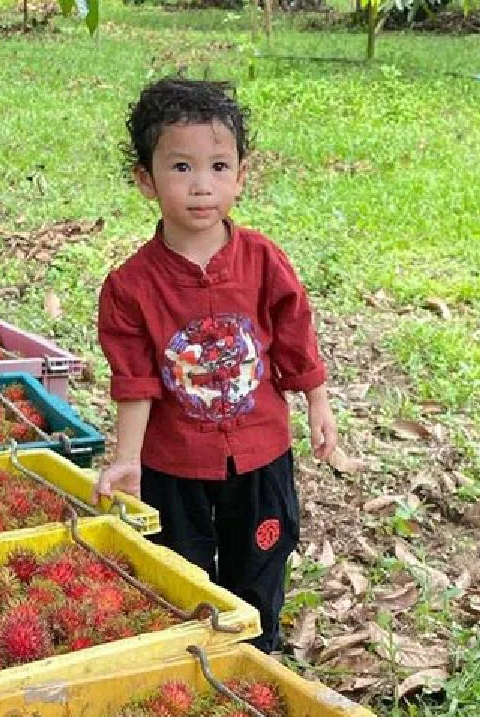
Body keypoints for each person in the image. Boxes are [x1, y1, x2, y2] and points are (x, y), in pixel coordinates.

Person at [94, 76, 338, 652]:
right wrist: (128, 460)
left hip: (260, 456)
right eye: (181, 167)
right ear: (146, 180)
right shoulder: (130, 287)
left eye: (219, 167)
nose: (202, 185)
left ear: (241, 176)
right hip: (173, 464)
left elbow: (295, 336)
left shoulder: (264, 261)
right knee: (181, 577)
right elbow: (136, 382)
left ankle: (256, 664)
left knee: (259, 571)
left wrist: (318, 402)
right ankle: (191, 666)